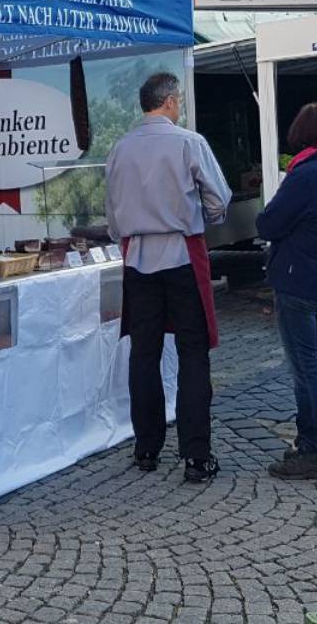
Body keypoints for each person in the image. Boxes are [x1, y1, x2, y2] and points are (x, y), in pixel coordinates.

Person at [106, 72, 232, 483]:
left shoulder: (119, 149)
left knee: (144, 354)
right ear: (171, 102)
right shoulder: (187, 142)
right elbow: (219, 198)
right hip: (180, 252)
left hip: (138, 257)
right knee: (193, 354)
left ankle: (146, 448)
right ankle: (196, 455)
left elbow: (111, 216)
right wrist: (203, 218)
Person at [256, 104, 317, 480]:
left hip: (298, 280)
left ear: (302, 132)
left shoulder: (306, 174)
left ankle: (311, 448)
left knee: (306, 368)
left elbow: (268, 223)